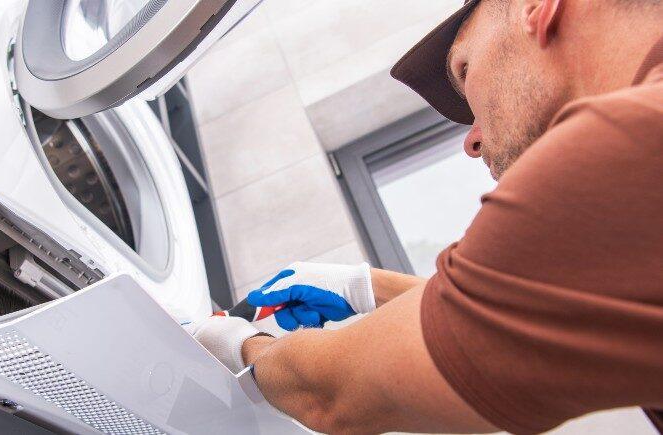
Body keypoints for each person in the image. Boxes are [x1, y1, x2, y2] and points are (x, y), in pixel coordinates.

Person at [186, 0, 663, 433]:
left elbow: (332, 396)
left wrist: (235, 344)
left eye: (464, 68)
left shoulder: (621, 149)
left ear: (536, 7)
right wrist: (364, 287)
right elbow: (543, 316)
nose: (472, 141)